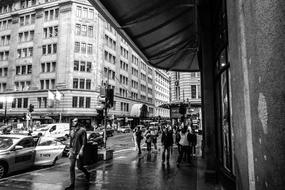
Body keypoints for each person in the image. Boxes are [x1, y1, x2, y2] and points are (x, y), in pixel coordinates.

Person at [65, 118, 90, 190]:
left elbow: (84, 141)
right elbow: (71, 142)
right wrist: (70, 150)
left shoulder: (82, 130)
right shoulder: (72, 130)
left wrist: (82, 150)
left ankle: (87, 173)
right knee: (71, 167)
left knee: (80, 167)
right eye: (73, 121)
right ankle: (72, 185)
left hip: (79, 151)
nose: (73, 122)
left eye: (75, 121)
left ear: (78, 122)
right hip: (73, 151)